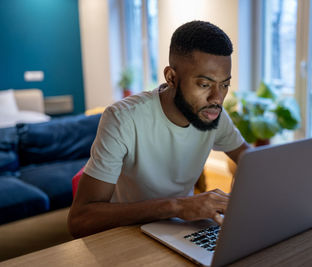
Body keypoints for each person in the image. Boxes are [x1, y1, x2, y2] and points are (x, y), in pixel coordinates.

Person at [68, 20, 249, 238]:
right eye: (204, 85)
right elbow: (80, 219)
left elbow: (251, 160)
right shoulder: (123, 118)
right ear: (171, 77)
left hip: (182, 231)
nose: (217, 98)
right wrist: (177, 207)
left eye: (225, 84)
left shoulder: (213, 114)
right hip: (127, 235)